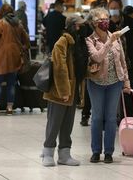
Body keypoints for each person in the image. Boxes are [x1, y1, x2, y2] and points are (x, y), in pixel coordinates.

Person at [86, 7, 131, 163]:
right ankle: (96, 151)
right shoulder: (90, 40)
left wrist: (126, 82)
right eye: (101, 19)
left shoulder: (116, 37)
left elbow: (123, 62)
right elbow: (97, 57)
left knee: (111, 118)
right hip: (96, 83)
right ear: (94, 22)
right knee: (97, 117)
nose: (105, 22)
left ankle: (109, 152)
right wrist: (108, 43)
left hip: (115, 83)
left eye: (107, 18)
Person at [40, 15, 87, 167]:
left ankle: (64, 154)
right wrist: (64, 91)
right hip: (59, 92)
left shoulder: (80, 43)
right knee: (54, 123)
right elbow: (60, 69)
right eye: (80, 25)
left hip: (72, 92)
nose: (83, 27)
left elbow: (80, 68)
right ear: (74, 26)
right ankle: (47, 153)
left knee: (67, 124)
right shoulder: (63, 41)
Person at [107, 0, 133, 119]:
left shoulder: (129, 22)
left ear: (120, 8)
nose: (113, 11)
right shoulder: (105, 23)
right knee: (111, 93)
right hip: (110, 64)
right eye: (111, 8)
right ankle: (112, 117)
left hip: (127, 63)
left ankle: (129, 118)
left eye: (115, 8)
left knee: (128, 92)